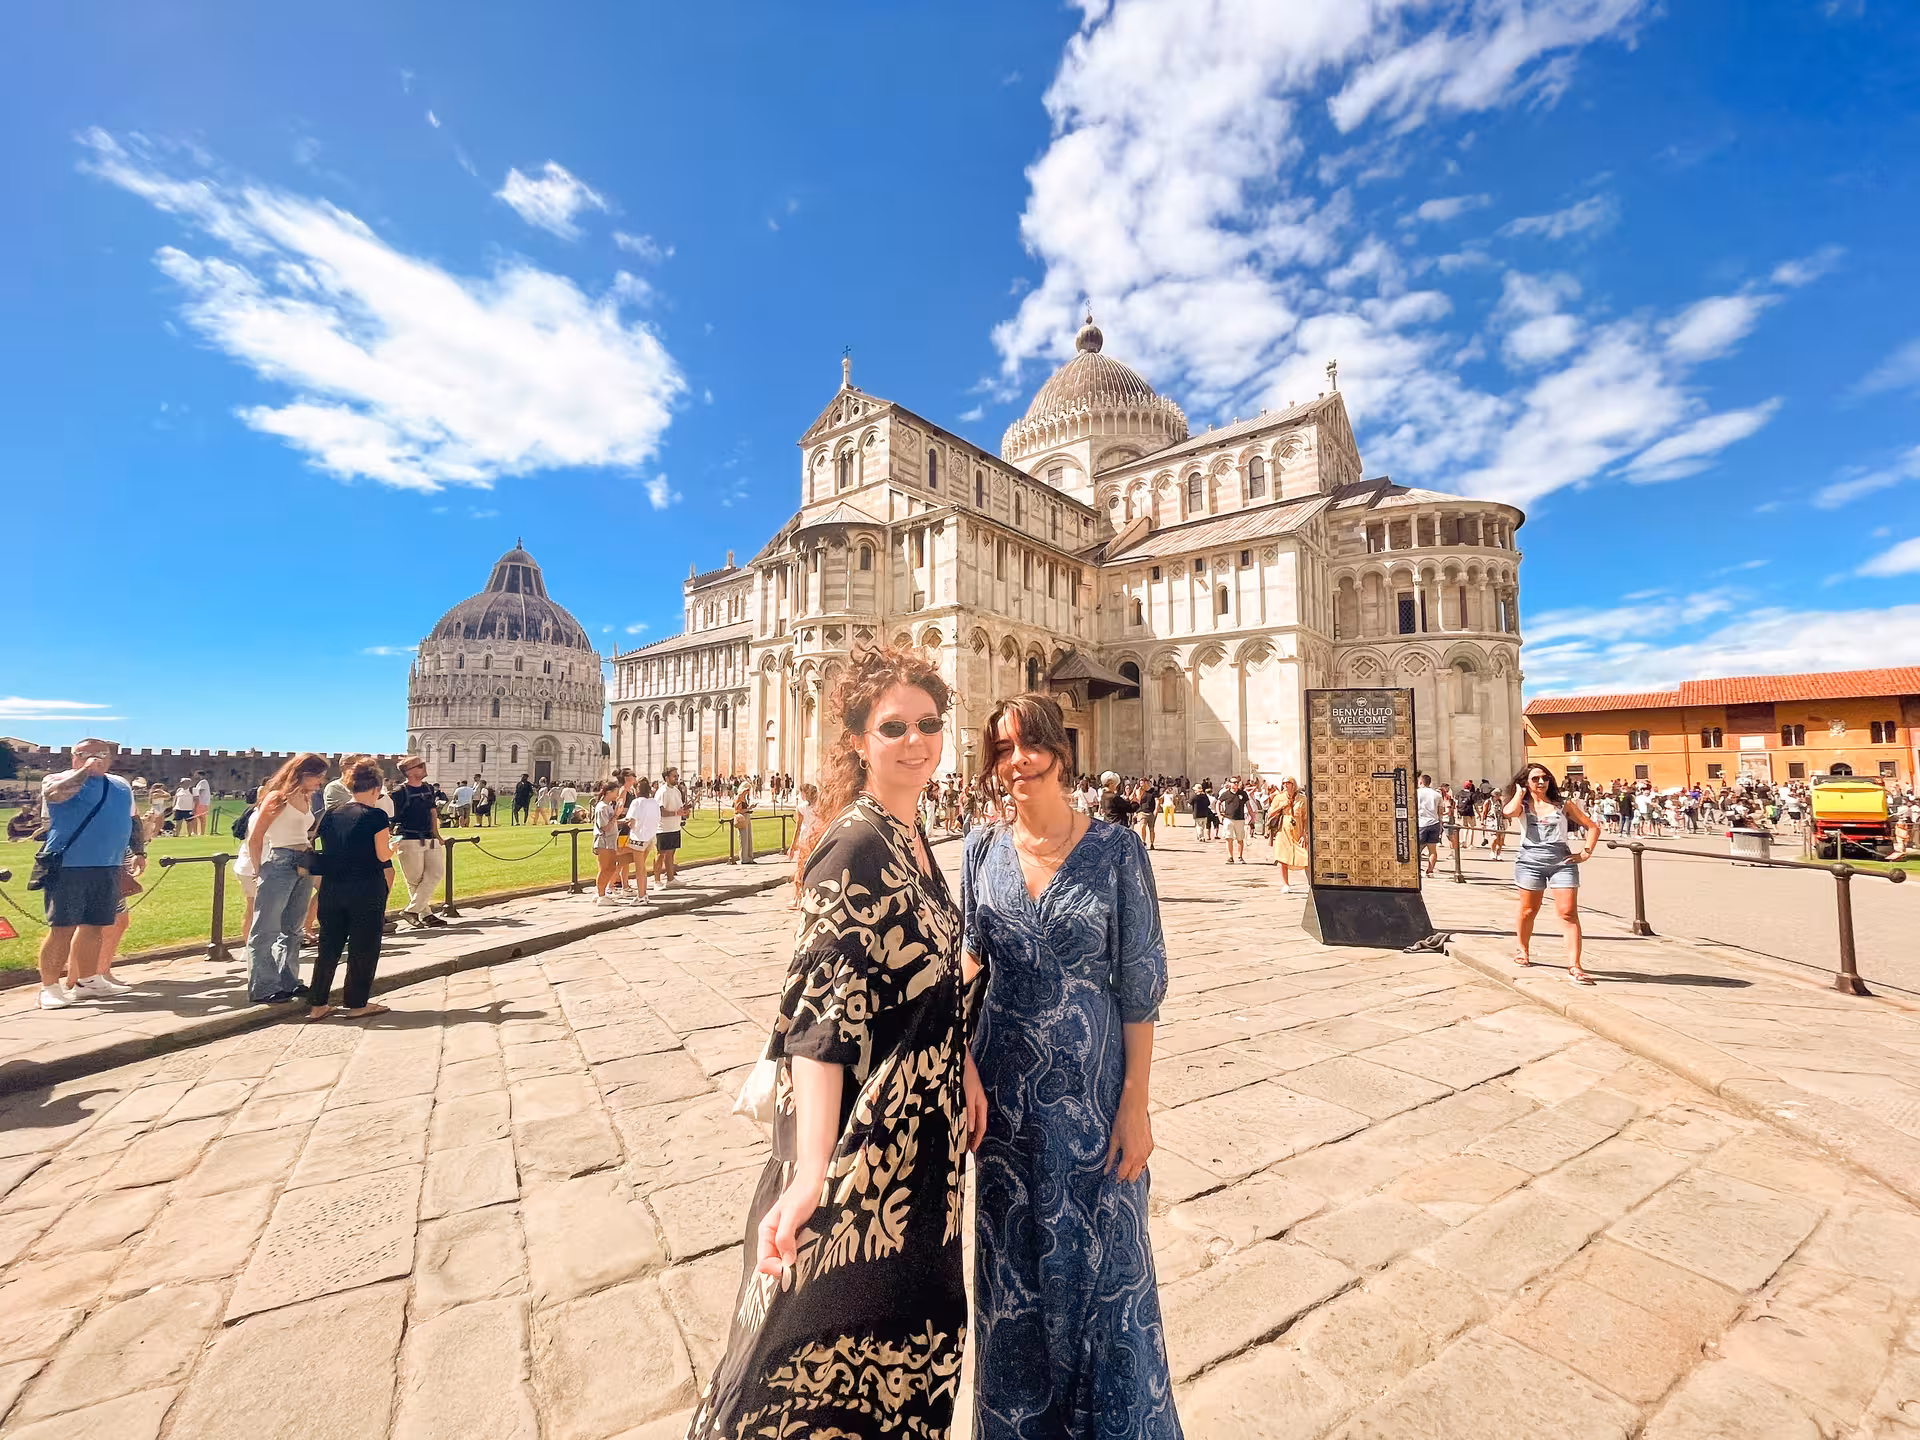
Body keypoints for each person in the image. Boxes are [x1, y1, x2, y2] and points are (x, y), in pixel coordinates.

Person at [689, 648, 982, 1439]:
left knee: (908, 1355)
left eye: (928, 725)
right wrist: (811, 1171)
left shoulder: (913, 837)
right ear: (857, 739)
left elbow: (925, 981)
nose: (916, 742)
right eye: (894, 727)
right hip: (865, 1156)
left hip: (925, 1151)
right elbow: (821, 1021)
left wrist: (967, 1069)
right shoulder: (854, 844)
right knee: (818, 1363)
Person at [964, 692, 1178, 1438]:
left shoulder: (1118, 851)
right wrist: (960, 1063)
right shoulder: (979, 850)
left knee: (1108, 1276)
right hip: (1002, 1112)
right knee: (1011, 1277)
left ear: (1060, 751)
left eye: (1030, 744)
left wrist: (1136, 1103)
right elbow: (970, 967)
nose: (1016, 760)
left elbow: (1141, 983)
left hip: (1093, 1106)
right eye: (1002, 749)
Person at [34, 740, 136, 1010]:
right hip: (70, 865)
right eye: (86, 754)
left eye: (101, 754)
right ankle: (50, 987)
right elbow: (56, 795)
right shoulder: (57, 779)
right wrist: (84, 772)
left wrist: (134, 853)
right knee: (62, 928)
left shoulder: (121, 785)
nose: (95, 758)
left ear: (111, 757)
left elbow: (128, 819)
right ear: (74, 757)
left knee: (96, 926)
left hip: (108, 865)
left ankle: (89, 981)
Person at [306, 760, 394, 1020]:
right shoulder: (376, 815)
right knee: (363, 946)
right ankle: (357, 1003)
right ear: (376, 788)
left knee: (328, 946)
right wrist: (394, 847)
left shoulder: (329, 815)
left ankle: (317, 1003)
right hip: (366, 886)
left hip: (333, 887)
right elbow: (382, 854)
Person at [1502, 763, 1602, 985]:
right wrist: (1519, 793)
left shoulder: (1562, 804)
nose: (1541, 782)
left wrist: (1585, 852)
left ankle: (1575, 965)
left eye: (1545, 778)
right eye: (1535, 778)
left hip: (1562, 862)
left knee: (1567, 913)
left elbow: (1593, 827)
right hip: (1529, 862)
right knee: (1528, 910)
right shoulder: (1524, 805)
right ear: (1526, 782)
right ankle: (1522, 949)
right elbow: (1508, 812)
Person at [244, 752, 328, 1004]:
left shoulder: (306, 796)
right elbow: (256, 836)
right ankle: (263, 986)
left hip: (303, 862)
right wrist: (258, 868)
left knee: (293, 928)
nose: (320, 783)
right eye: (317, 777)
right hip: (280, 861)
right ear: (303, 773)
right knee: (266, 928)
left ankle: (289, 980)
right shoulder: (277, 797)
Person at [390, 757, 448, 929]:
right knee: (415, 879)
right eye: (420, 766)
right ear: (410, 771)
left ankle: (412, 911)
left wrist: (437, 834)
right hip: (408, 838)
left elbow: (432, 812)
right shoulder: (399, 792)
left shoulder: (428, 788)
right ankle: (426, 914)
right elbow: (389, 817)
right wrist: (391, 838)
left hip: (428, 838)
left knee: (436, 872)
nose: (424, 768)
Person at [1268, 776, 1310, 892]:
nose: (1286, 785)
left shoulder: (1302, 799)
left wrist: (1305, 834)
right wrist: (1281, 806)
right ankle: (1286, 884)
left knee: (1305, 857)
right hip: (1283, 831)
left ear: (1293, 784)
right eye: (1284, 783)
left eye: (1288, 783)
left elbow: (1306, 818)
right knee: (1283, 858)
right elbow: (1270, 814)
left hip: (1298, 830)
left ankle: (1310, 883)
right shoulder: (1279, 798)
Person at [625, 778, 660, 902]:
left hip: (639, 837)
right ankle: (642, 893)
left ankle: (641, 895)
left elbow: (631, 822)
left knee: (639, 868)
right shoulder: (654, 802)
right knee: (642, 867)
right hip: (650, 837)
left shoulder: (636, 802)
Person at [591, 781, 625, 906]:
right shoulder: (602, 807)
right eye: (616, 792)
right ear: (609, 792)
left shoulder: (608, 806)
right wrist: (616, 815)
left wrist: (620, 820)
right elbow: (604, 827)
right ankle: (601, 894)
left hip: (610, 840)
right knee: (605, 868)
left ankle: (602, 892)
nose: (617, 795)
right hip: (603, 840)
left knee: (611, 867)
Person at [655, 767, 686, 888]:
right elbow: (660, 811)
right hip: (663, 828)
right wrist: (676, 813)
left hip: (675, 826)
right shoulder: (662, 792)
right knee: (660, 854)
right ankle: (657, 881)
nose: (677, 778)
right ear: (667, 778)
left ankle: (670, 878)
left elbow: (679, 808)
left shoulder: (677, 791)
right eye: (674, 776)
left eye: (677, 776)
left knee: (671, 853)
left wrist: (684, 812)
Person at [1416, 772, 1443, 877]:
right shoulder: (1437, 795)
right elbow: (1440, 811)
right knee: (1432, 850)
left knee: (1417, 849)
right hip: (1434, 823)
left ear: (1421, 782)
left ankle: (1416, 869)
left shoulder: (1416, 793)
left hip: (1421, 823)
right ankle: (1430, 871)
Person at [1218, 777, 1250, 863]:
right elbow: (1218, 802)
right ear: (1230, 784)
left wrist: (1252, 816)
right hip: (1228, 818)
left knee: (1240, 838)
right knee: (1229, 838)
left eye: (1237, 782)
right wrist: (1219, 815)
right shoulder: (1225, 794)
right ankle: (1230, 857)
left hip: (1240, 818)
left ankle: (1240, 856)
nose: (1235, 784)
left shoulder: (1243, 793)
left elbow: (1248, 805)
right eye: (1233, 782)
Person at [733, 785, 757, 864]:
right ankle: (744, 858)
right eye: (747, 790)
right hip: (742, 818)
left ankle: (749, 856)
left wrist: (749, 808)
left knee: (748, 837)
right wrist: (749, 808)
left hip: (746, 817)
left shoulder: (745, 798)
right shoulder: (739, 798)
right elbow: (738, 810)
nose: (748, 792)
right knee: (743, 838)